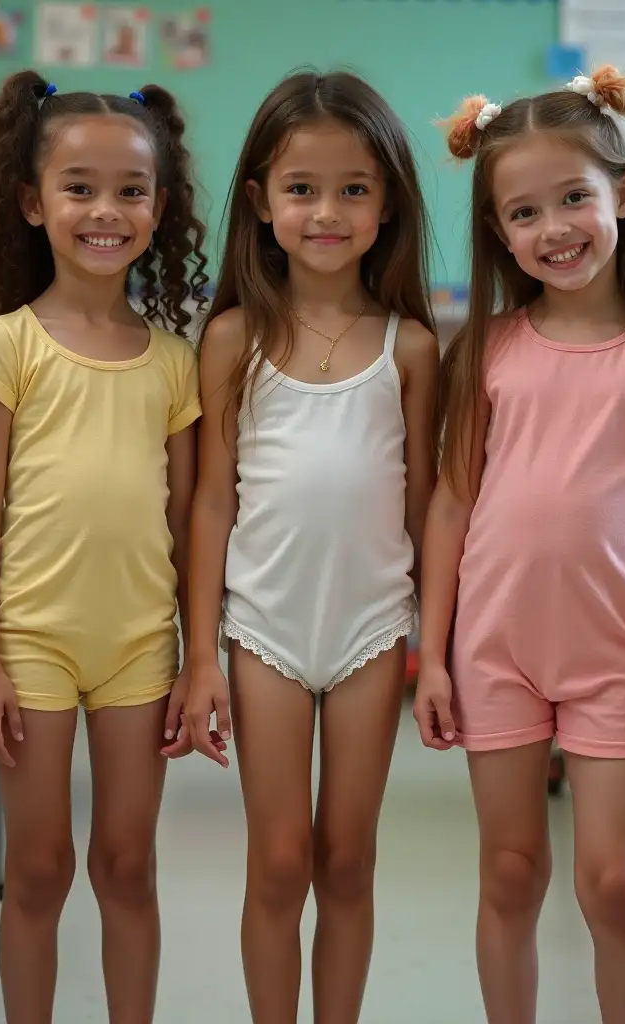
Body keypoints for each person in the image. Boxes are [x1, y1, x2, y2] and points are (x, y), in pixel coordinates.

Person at [415, 67, 625, 1024]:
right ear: (498, 231)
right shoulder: (485, 350)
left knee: (613, 886)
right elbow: (450, 506)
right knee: (510, 877)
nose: (553, 229)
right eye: (523, 212)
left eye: (574, 199)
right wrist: (431, 654)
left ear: (621, 197)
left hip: (608, 659)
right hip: (493, 651)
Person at [0, 70, 208, 1024]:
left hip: (141, 647)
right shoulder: (7, 346)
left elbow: (189, 522)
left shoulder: (174, 361)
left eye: (130, 190)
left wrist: (195, 657)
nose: (106, 210)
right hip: (31, 647)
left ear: (160, 207)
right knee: (41, 868)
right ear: (32, 203)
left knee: (127, 864)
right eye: (80, 187)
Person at [186, 70, 439, 1024]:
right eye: (301, 189)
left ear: (388, 204)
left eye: (353, 188)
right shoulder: (232, 340)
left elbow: (426, 509)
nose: (326, 211)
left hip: (373, 625)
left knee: (347, 857)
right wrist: (198, 653)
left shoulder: (411, 347)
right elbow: (211, 505)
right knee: (281, 858)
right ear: (260, 202)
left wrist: (439, 647)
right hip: (263, 628)